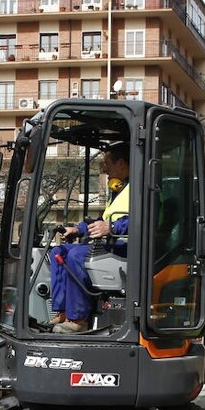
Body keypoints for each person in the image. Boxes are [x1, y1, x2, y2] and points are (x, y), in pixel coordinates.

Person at [48, 142, 129, 333]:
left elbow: (141, 221)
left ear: (122, 164)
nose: (104, 168)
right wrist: (78, 229)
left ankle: (78, 319)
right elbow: (103, 220)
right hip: (110, 243)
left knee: (76, 255)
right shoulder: (118, 191)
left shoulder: (140, 190)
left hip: (126, 246)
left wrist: (112, 227)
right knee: (58, 251)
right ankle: (62, 312)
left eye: (107, 163)